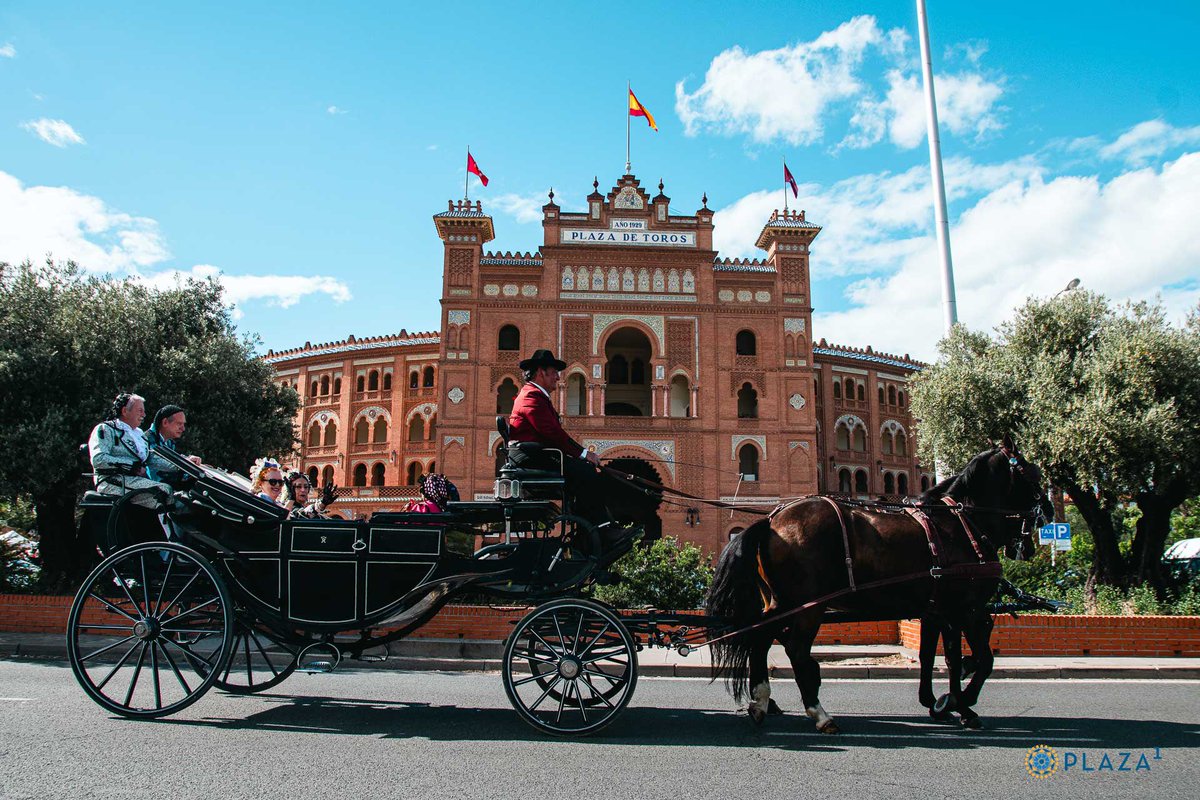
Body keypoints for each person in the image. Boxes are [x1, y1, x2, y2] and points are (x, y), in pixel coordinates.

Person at [506, 349, 612, 529]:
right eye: (554, 372)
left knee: (584, 473)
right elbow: (551, 433)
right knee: (586, 473)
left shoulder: (536, 395)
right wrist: (584, 454)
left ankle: (590, 529)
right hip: (532, 458)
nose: (557, 377)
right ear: (541, 372)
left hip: (538, 455)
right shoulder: (531, 396)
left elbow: (552, 433)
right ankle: (599, 529)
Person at [88, 393, 172, 508]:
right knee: (162, 491)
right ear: (124, 411)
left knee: (173, 490)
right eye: (140, 410)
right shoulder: (106, 429)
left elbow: (151, 459)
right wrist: (132, 466)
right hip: (111, 481)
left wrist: (185, 465)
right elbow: (98, 459)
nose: (144, 414)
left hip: (133, 480)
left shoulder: (139, 435)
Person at [144, 404, 203, 483]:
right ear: (165, 422)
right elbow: (161, 469)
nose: (183, 428)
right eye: (179, 424)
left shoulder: (169, 442)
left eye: (183, 424)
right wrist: (186, 462)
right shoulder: (147, 440)